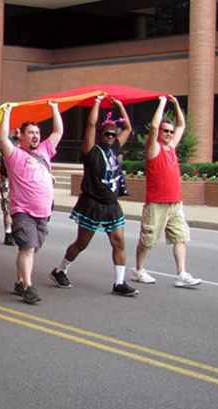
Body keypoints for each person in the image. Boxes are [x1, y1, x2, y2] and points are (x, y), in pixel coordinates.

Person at [50, 96, 139, 297]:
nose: (109, 136)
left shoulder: (114, 147)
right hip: (92, 204)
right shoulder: (90, 151)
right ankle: (60, 270)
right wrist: (97, 102)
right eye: (106, 133)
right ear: (100, 134)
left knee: (119, 242)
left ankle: (119, 283)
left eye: (112, 134)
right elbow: (90, 123)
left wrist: (121, 106)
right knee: (82, 243)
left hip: (112, 204)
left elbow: (128, 129)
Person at [0, 101, 63, 304]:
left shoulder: (44, 150)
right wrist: (7, 113)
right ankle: (27, 287)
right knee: (28, 248)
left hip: (43, 212)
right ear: (21, 136)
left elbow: (58, 131)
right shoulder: (15, 155)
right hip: (23, 211)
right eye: (30, 132)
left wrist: (54, 109)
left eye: (37, 132)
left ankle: (19, 281)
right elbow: (2, 138)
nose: (35, 136)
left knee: (31, 248)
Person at [132, 95, 201, 288]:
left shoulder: (171, 147)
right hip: (156, 204)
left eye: (170, 131)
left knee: (180, 237)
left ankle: (182, 274)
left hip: (175, 203)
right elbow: (154, 127)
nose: (170, 134)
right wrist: (162, 103)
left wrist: (177, 104)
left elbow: (181, 125)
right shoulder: (154, 149)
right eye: (166, 131)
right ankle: (139, 270)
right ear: (160, 132)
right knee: (148, 240)